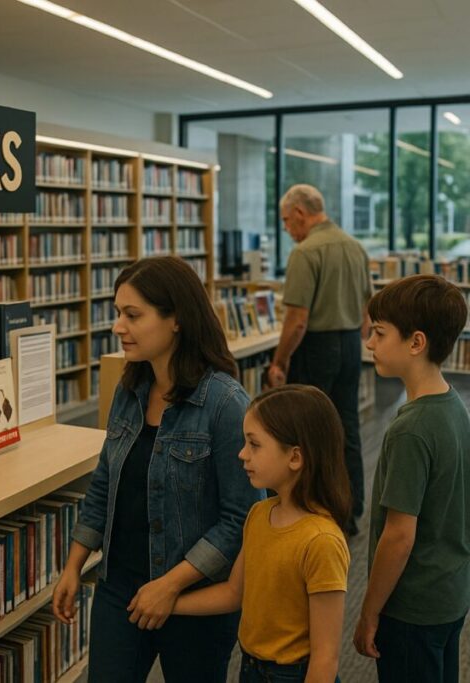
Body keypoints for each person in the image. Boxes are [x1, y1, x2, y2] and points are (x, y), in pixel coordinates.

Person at [52, 256, 262, 682]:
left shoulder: (224, 403)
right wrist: (74, 565)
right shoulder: (129, 391)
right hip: (120, 588)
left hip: (194, 597)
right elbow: (105, 481)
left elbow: (241, 518)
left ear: (177, 320)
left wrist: (170, 586)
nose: (117, 327)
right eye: (117, 314)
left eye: (133, 315)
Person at [173, 384, 351, 683]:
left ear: (295, 457)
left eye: (254, 445)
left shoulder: (321, 542)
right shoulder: (258, 515)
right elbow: (234, 593)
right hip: (251, 668)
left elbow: (325, 658)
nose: (242, 454)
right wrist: (169, 604)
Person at [353, 274, 470, 682]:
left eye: (380, 334)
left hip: (411, 608)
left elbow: (399, 536)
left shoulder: (411, 429)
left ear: (416, 342)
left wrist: (368, 612)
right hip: (450, 594)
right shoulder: (454, 405)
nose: (369, 343)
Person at [267, 184, 371, 536]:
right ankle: (350, 510)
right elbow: (367, 309)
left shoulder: (305, 252)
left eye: (285, 220)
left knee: (307, 431)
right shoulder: (355, 248)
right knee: (347, 427)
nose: (286, 229)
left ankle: (311, 509)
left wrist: (279, 362)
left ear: (299, 213)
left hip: (316, 347)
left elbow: (297, 318)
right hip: (350, 345)